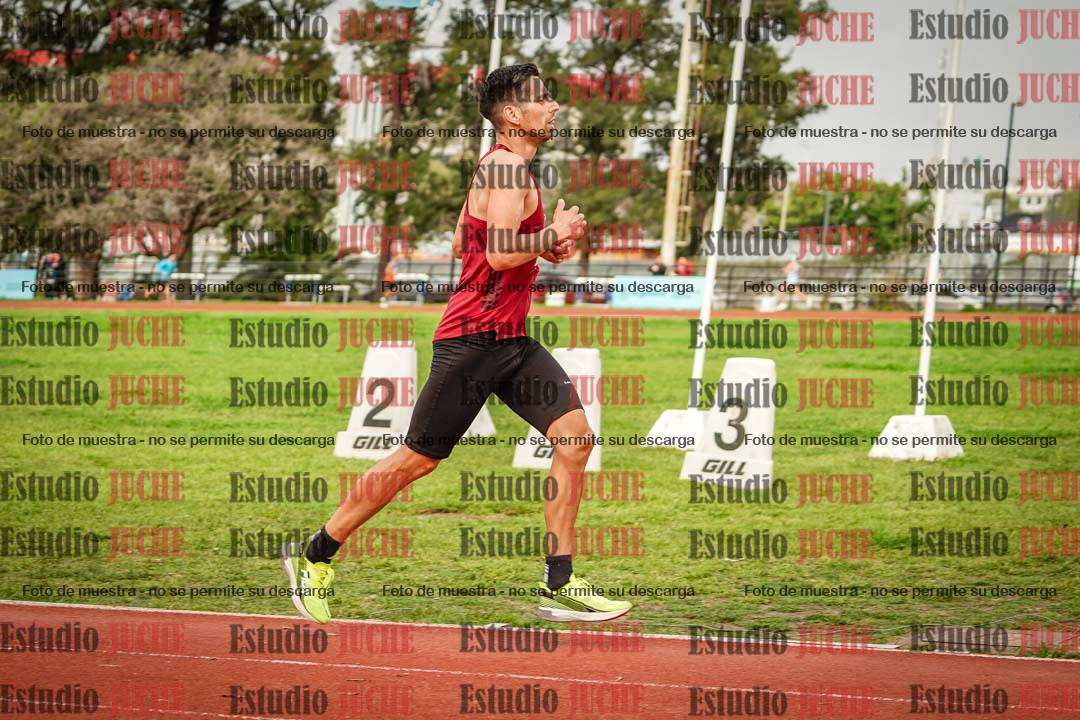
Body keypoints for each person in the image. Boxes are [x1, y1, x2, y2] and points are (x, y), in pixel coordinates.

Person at [281, 64, 631, 624]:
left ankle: (560, 583)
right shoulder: (506, 167)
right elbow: (497, 253)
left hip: (511, 341)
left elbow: (462, 241)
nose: (554, 107)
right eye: (543, 98)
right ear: (512, 114)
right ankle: (315, 554)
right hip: (471, 341)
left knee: (575, 440)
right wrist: (551, 235)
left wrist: (545, 246)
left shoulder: (507, 169)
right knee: (418, 459)